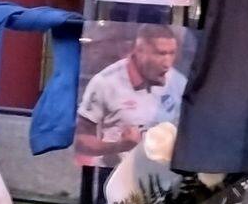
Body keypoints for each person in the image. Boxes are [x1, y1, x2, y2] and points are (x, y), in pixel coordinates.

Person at [75, 24, 186, 168]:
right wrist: (120, 146)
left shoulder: (178, 82)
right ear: (139, 51)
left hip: (162, 175)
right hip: (115, 173)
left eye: (172, 53)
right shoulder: (105, 82)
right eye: (160, 54)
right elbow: (82, 141)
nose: (167, 63)